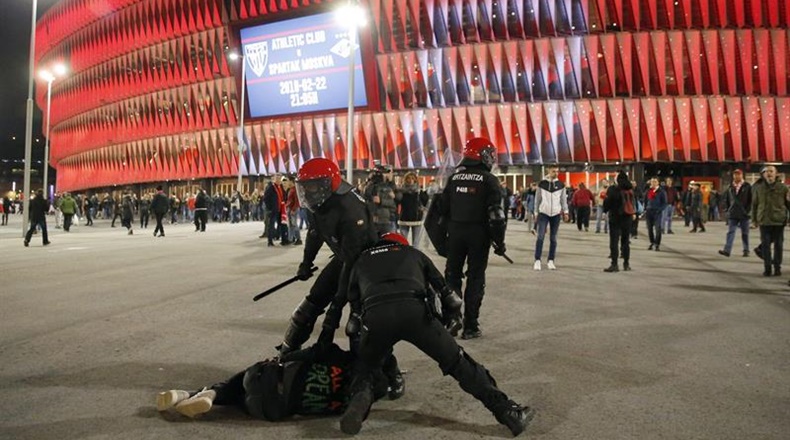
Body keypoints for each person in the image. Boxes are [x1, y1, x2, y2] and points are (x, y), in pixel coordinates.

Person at [339, 232, 534, 437]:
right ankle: (508, 412)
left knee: (366, 370)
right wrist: (448, 322)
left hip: (377, 316)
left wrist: (366, 351)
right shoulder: (414, 254)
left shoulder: (361, 261)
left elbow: (353, 321)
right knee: (459, 363)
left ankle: (359, 401)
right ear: (402, 244)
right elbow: (450, 297)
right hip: (415, 313)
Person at [283, 158, 404, 396]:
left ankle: (391, 372)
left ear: (329, 184)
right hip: (344, 257)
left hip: (366, 265)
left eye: (313, 186)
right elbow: (315, 234)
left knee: (361, 326)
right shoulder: (319, 204)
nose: (308, 192)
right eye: (305, 186)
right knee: (307, 309)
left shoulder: (350, 209)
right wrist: (305, 263)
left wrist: (336, 308)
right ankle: (286, 356)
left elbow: (352, 262)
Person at [156, 342, 390, 420]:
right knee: (240, 399)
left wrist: (282, 358)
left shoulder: (343, 358)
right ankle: (200, 395)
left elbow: (314, 351)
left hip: (262, 379)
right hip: (270, 410)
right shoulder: (345, 406)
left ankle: (201, 393)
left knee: (245, 379)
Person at [438, 137, 506, 339]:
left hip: (455, 233)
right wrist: (499, 242)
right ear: (482, 155)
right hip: (478, 235)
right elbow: (496, 215)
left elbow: (441, 210)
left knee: (452, 276)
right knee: (475, 278)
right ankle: (471, 326)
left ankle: (452, 319)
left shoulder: (454, 178)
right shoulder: (489, 180)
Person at [751, 165, 789, 277]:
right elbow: (754, 205)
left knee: (778, 246)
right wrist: (754, 220)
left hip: (779, 221)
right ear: (763, 175)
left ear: (776, 174)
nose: (769, 173)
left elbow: (788, 204)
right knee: (765, 246)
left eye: (771, 171)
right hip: (764, 220)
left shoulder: (783, 188)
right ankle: (767, 268)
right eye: (767, 172)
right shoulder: (758, 188)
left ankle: (777, 267)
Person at [534, 165, 568, 270]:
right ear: (548, 171)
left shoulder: (561, 185)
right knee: (540, 237)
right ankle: (537, 260)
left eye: (557, 171)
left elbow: (563, 200)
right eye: (554, 171)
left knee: (553, 238)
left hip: (556, 214)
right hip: (543, 213)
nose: (556, 173)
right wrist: (536, 212)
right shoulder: (542, 184)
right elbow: (537, 199)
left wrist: (566, 212)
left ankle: (551, 260)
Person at [602, 172, 636, 272]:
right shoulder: (630, 189)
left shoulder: (613, 189)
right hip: (627, 217)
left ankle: (614, 264)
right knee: (625, 241)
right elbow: (633, 202)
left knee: (614, 241)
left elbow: (608, 202)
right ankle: (626, 264)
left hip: (615, 217)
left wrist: (605, 210)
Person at [718, 169, 752, 257]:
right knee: (731, 232)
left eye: (738, 174)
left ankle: (746, 250)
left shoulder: (747, 186)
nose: (736, 176)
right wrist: (727, 209)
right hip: (733, 213)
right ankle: (727, 250)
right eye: (735, 174)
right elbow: (726, 199)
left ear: (742, 175)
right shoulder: (730, 187)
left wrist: (748, 211)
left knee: (745, 233)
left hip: (744, 214)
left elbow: (751, 200)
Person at [397, 171, 428, 248]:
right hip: (404, 217)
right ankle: (404, 254)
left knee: (416, 243)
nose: (410, 180)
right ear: (405, 180)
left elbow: (425, 202)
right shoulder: (401, 191)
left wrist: (424, 195)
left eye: (412, 178)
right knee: (403, 242)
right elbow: (397, 201)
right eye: (408, 178)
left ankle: (414, 255)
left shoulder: (419, 191)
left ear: (415, 180)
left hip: (416, 218)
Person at [363, 165, 398, 234]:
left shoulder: (388, 187)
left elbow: (393, 204)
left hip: (385, 220)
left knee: (388, 239)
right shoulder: (369, 186)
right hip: (371, 219)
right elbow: (364, 198)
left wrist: (381, 201)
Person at [263, 175, 288, 246]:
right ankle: (270, 241)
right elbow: (266, 198)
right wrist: (270, 207)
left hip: (281, 209)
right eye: (277, 178)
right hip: (274, 209)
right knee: (271, 225)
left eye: (279, 179)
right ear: (274, 179)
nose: (279, 180)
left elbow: (284, 195)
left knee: (282, 225)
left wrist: (284, 201)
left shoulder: (281, 187)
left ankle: (283, 239)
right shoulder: (271, 187)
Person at [644, 178, 666, 251]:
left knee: (658, 229)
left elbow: (664, 203)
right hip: (649, 212)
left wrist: (659, 209)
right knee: (649, 229)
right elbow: (645, 200)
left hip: (657, 212)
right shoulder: (648, 191)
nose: (653, 183)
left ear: (658, 183)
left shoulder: (661, 192)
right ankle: (652, 242)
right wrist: (645, 208)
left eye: (655, 182)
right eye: (652, 182)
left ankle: (657, 244)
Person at [285, 177, 302, 245]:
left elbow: (297, 201)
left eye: (288, 181)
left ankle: (298, 239)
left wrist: (293, 209)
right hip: (290, 208)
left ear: (291, 181)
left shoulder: (295, 190)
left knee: (294, 224)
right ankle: (290, 239)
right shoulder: (291, 189)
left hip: (293, 209)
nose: (287, 182)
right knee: (290, 225)